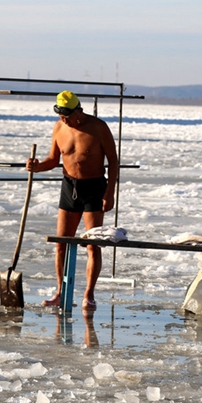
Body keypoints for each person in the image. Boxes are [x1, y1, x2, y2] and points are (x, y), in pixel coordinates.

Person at [26, 91, 119, 310]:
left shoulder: (98, 127)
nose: (64, 120)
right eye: (60, 115)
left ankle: (89, 294)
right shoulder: (59, 127)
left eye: (67, 116)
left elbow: (113, 162)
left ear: (78, 110)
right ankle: (60, 292)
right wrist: (37, 167)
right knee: (61, 243)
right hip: (69, 187)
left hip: (94, 188)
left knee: (92, 246)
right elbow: (53, 159)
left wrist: (110, 192)